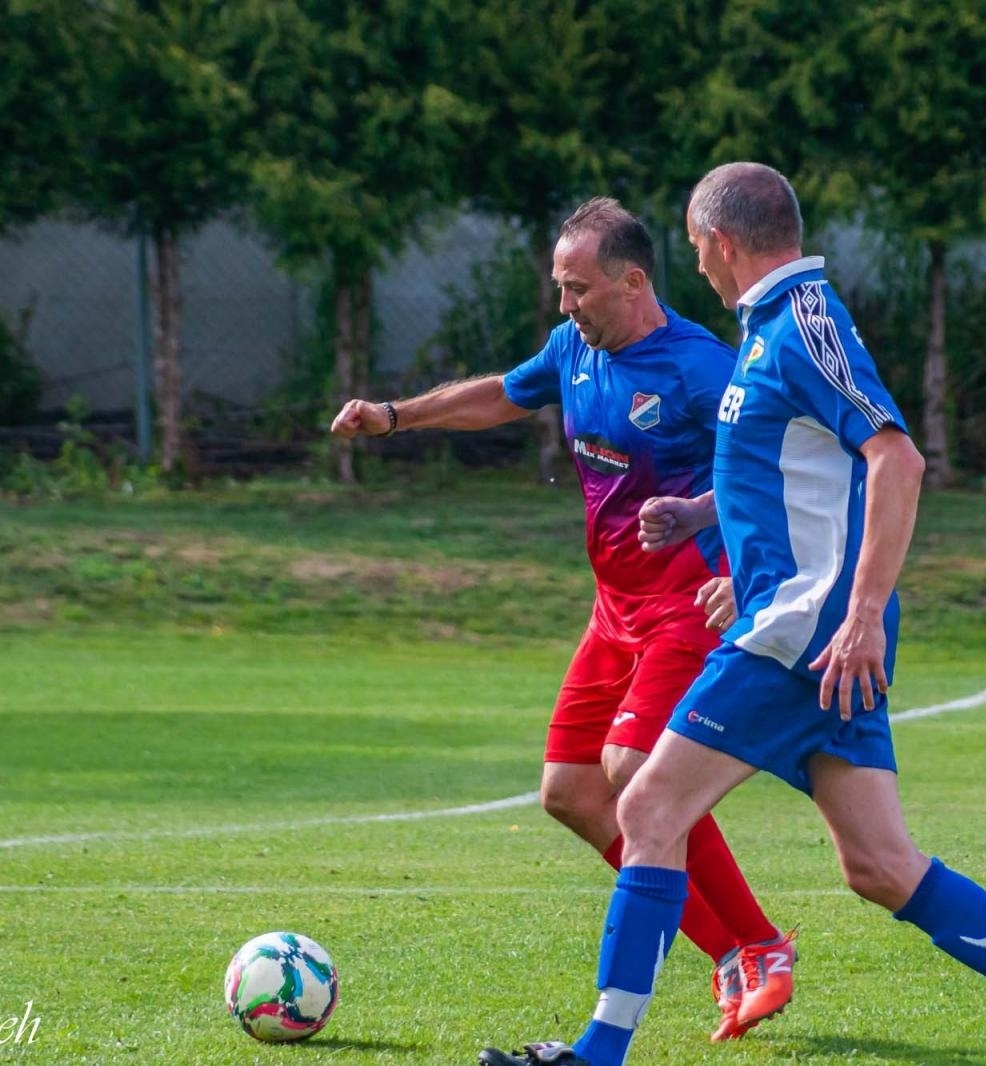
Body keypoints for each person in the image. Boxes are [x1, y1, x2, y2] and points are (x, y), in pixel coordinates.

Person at [479, 162, 986, 1066]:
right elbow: (803, 477)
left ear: (719, 242)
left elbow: (896, 461)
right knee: (880, 866)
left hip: (807, 633)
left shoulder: (803, 322)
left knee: (647, 807)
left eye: (695, 249)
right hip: (800, 621)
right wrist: (730, 555)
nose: (699, 269)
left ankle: (600, 1051)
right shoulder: (768, 332)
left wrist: (861, 609)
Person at [330, 197, 796, 1042]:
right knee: (571, 793)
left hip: (688, 604)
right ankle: (737, 950)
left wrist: (727, 545)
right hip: (613, 611)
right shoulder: (573, 350)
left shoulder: (702, 368)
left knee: (629, 766)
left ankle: (760, 945)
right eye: (558, 286)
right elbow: (499, 397)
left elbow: (771, 471)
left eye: (576, 288)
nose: (564, 305)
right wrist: (395, 417)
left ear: (633, 281)